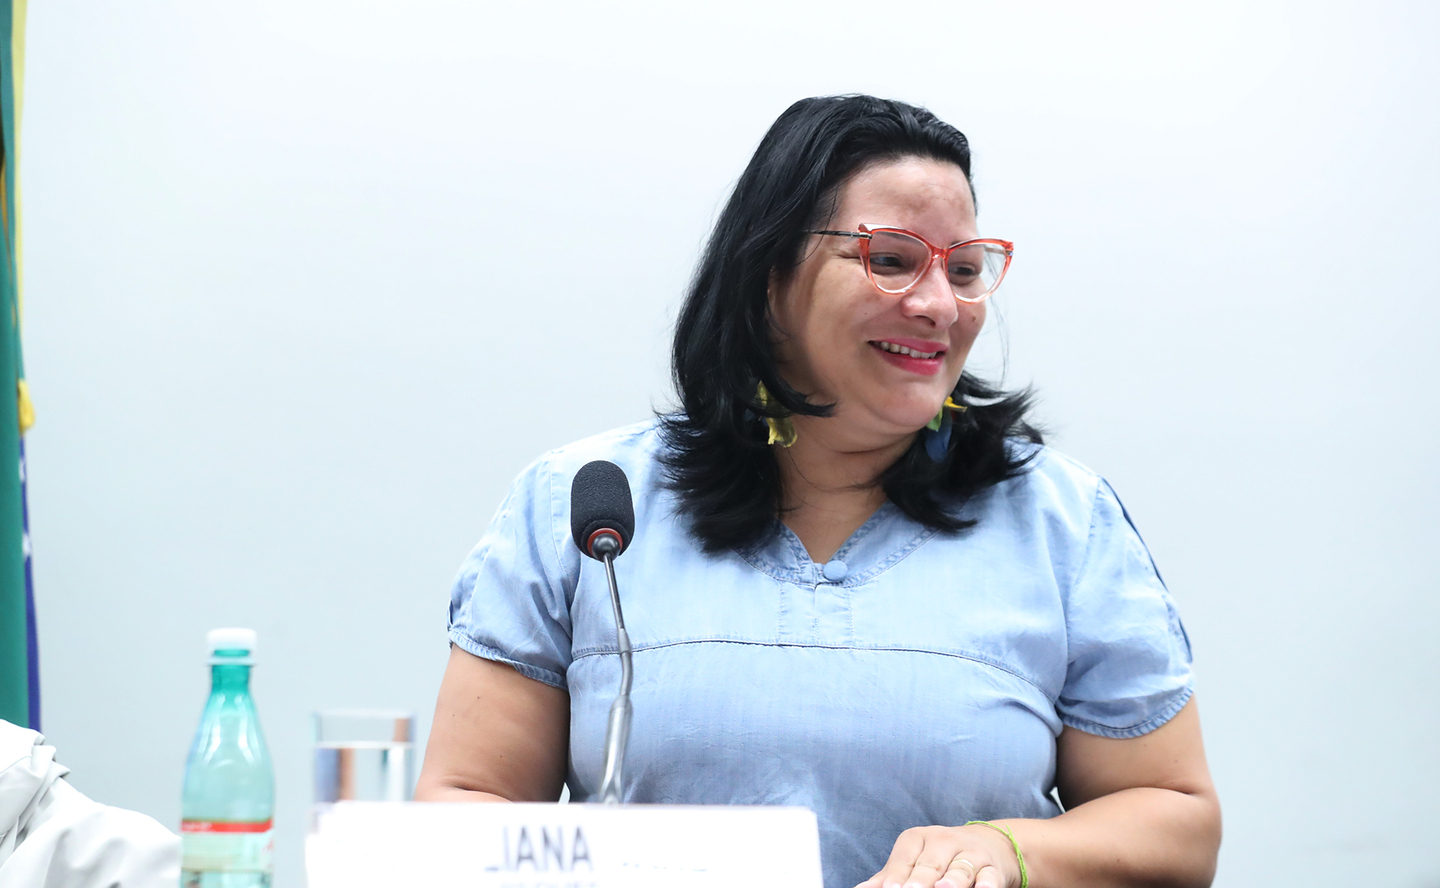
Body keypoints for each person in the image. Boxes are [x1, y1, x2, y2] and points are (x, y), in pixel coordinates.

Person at [416, 95, 1221, 888]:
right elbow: (466, 802)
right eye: (894, 259)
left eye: (965, 269)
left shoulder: (1060, 520)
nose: (940, 305)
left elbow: (1175, 819)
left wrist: (1009, 852)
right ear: (770, 275)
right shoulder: (590, 505)